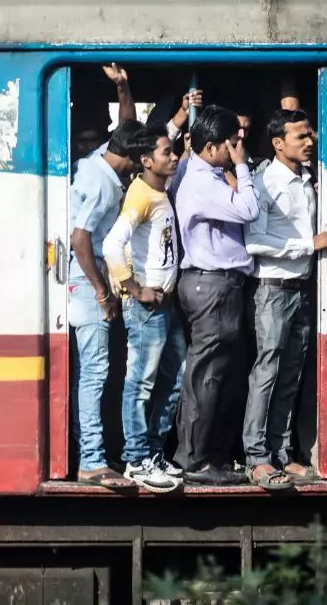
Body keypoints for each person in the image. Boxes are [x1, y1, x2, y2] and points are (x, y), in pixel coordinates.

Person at [242, 109, 327, 490]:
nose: (310, 141)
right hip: (273, 290)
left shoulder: (305, 179)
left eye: (309, 135)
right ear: (278, 143)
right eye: (301, 137)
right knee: (266, 372)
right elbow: (254, 242)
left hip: (299, 289)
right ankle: (256, 458)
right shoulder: (265, 183)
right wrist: (308, 245)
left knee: (290, 373)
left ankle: (280, 454)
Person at [172, 105, 261, 486]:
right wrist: (241, 167)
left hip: (212, 284)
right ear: (211, 148)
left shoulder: (194, 171)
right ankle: (195, 461)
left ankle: (206, 455)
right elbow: (250, 209)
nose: (237, 148)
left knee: (213, 375)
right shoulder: (203, 183)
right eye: (231, 144)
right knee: (207, 377)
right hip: (213, 285)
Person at [102, 124, 184, 493]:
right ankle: (136, 459)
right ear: (146, 161)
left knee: (174, 377)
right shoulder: (141, 196)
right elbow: (111, 245)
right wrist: (134, 288)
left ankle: (152, 452)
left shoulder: (157, 190)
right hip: (147, 308)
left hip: (164, 304)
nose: (175, 156)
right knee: (141, 384)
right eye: (167, 152)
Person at [67, 118, 144, 490]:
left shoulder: (99, 162)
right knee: (95, 373)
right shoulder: (102, 185)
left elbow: (125, 125)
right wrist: (101, 291)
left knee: (88, 371)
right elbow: (80, 238)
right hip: (86, 280)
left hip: (86, 277)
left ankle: (90, 453)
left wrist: (123, 88)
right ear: (130, 156)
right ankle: (92, 460)